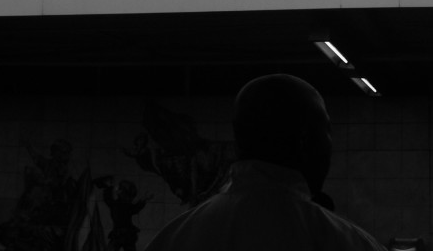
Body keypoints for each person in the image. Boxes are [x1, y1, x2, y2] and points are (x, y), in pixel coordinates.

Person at [144, 74, 386, 251]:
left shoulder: (175, 238)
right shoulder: (346, 242)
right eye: (327, 131)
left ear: (238, 143)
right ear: (305, 141)